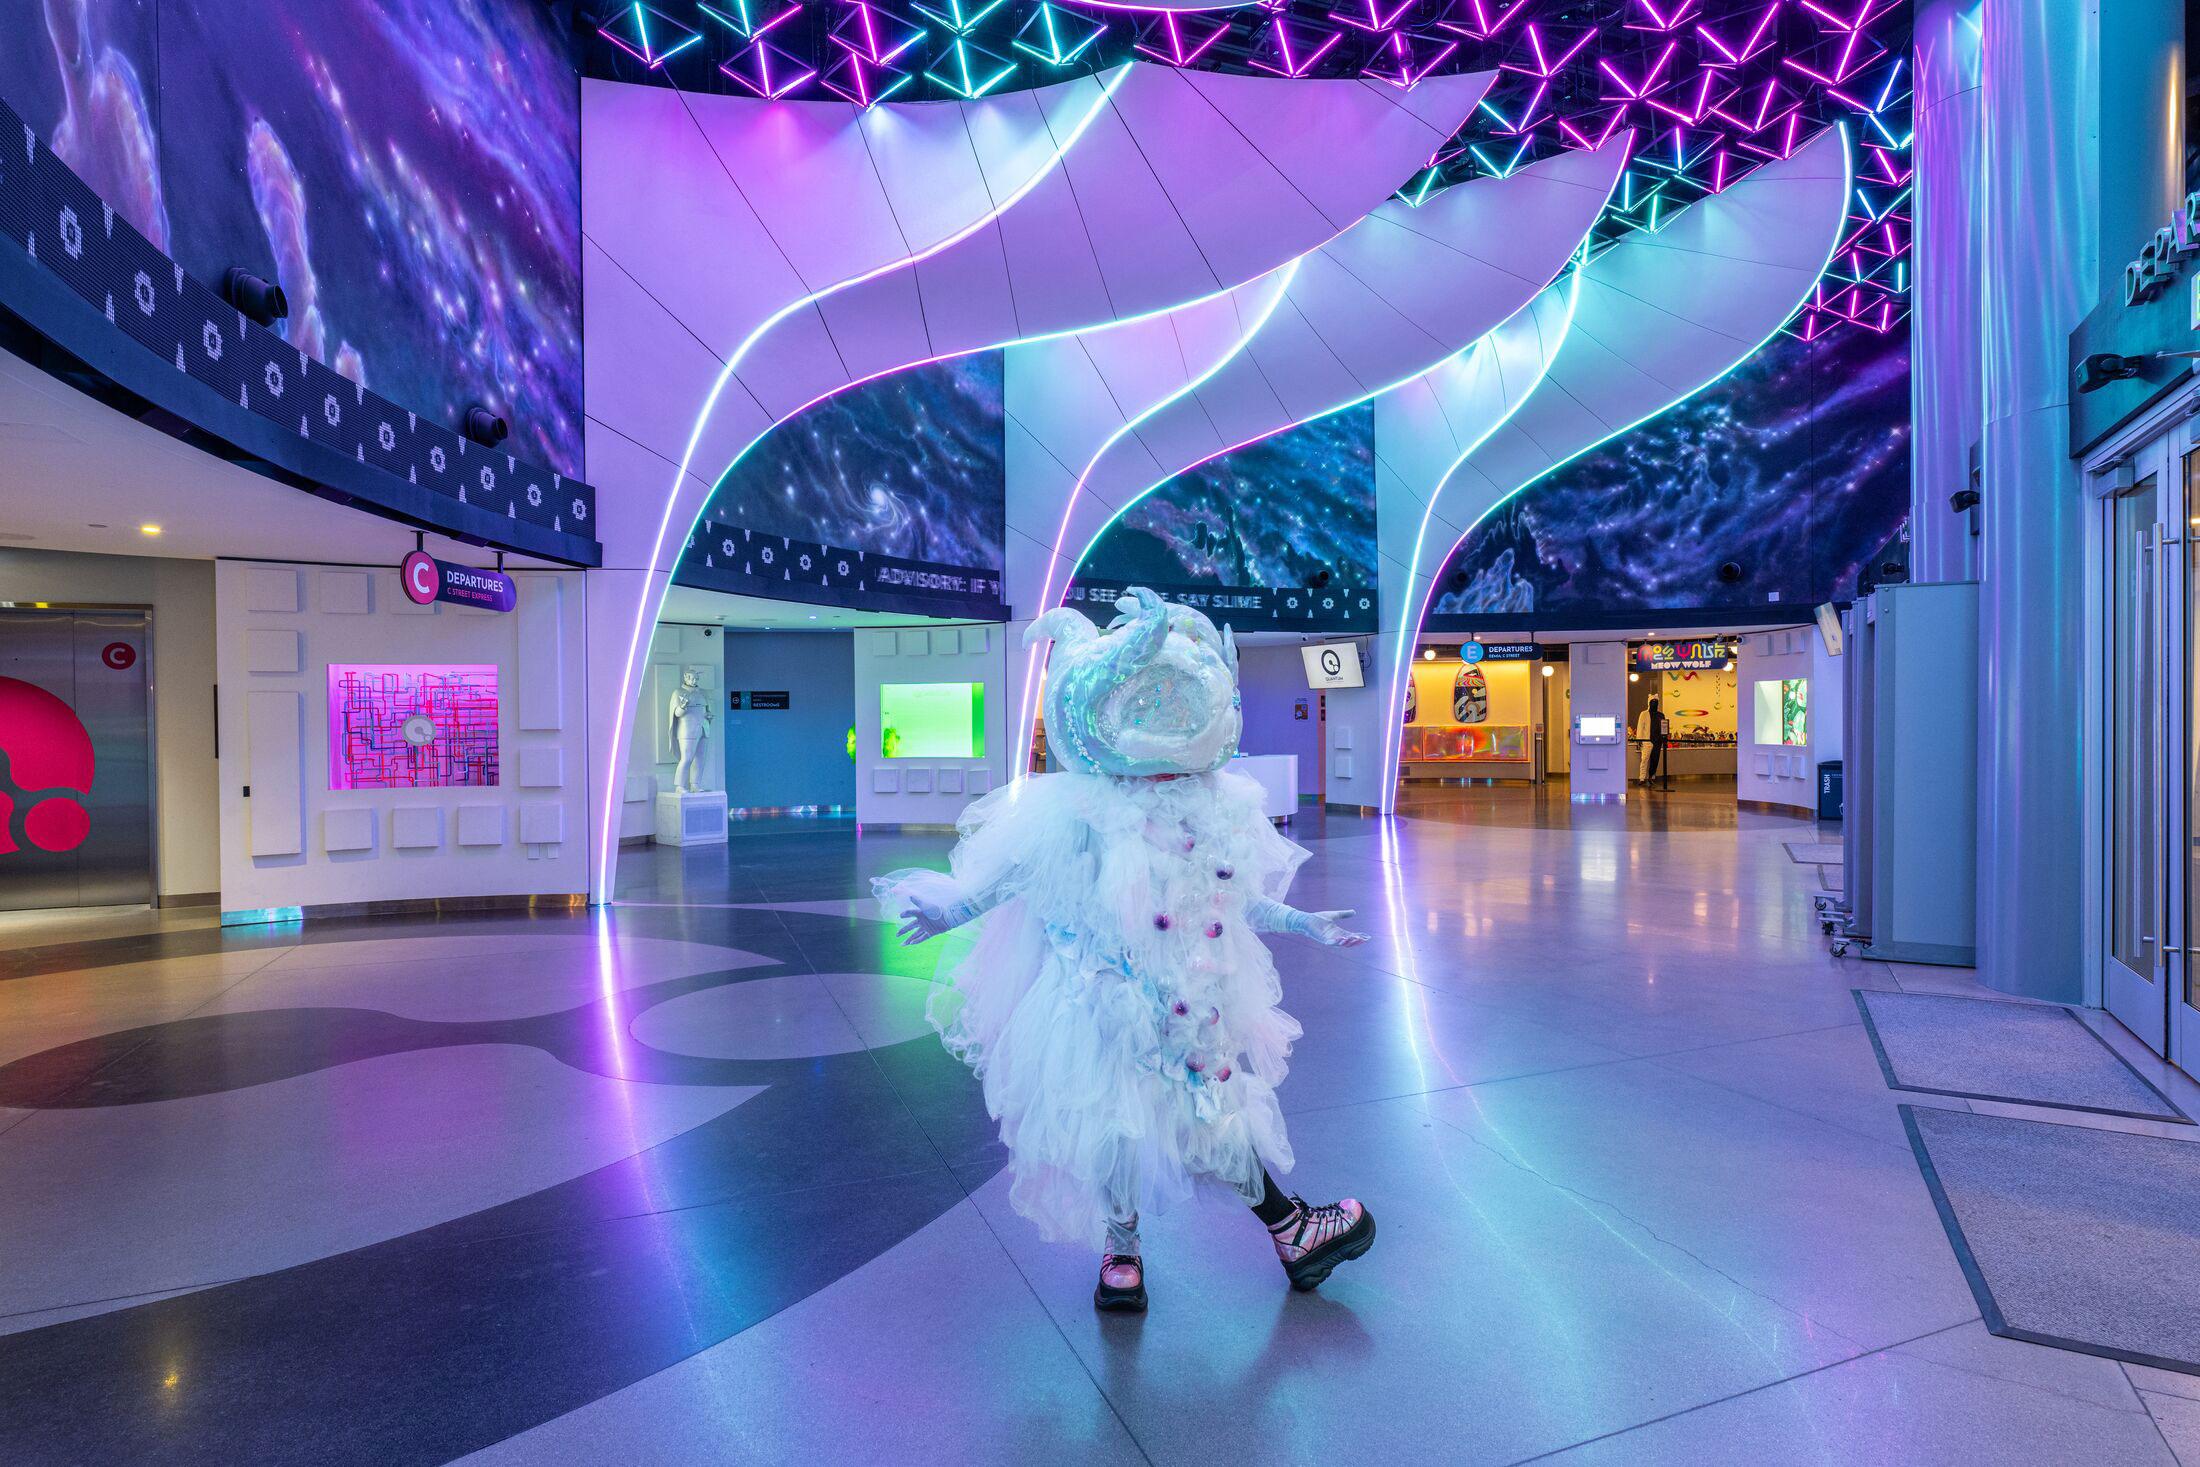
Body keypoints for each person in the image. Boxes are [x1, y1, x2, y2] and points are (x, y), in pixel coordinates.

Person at [876, 589, 1375, 1313]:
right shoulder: (1078, 807)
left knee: (1203, 1106)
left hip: (1184, 991)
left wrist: (1301, 922)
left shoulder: (1201, 807)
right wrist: (952, 907)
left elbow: (1224, 898)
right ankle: (1134, 1246)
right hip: (1100, 991)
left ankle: (1269, 1233)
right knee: (1118, 1112)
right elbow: (1020, 874)